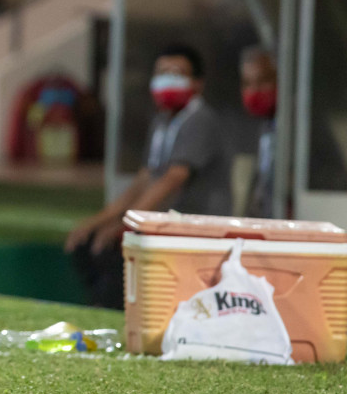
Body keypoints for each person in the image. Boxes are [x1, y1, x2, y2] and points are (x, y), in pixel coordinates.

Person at [65, 44, 231, 308]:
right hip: (163, 222)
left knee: (114, 255)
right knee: (85, 242)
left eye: (177, 73)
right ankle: (100, 307)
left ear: (197, 83)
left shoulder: (200, 121)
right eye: (162, 73)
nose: (168, 80)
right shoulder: (163, 122)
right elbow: (145, 179)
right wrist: (101, 219)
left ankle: (118, 312)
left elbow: (173, 178)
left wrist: (128, 225)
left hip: (192, 226)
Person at [240, 45, 279, 220]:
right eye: (248, 83)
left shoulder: (301, 131)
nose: (254, 91)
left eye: (263, 81)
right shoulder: (264, 126)